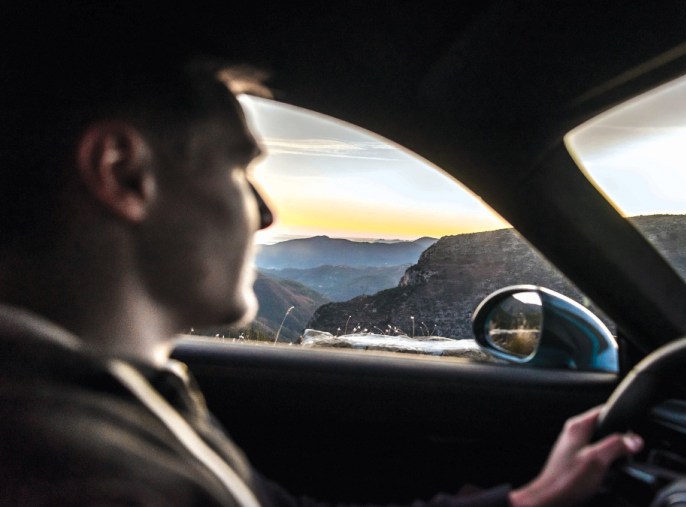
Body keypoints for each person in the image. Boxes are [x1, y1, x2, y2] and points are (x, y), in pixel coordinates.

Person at [0, 10, 642, 507]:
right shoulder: (82, 473)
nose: (266, 212)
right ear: (122, 172)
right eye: (239, 167)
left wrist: (525, 500)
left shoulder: (106, 403)